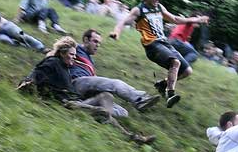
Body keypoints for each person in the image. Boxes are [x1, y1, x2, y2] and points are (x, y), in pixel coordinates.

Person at [22, 37, 155, 145]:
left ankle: (114, 126)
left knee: (106, 97)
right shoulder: (53, 62)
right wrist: (26, 83)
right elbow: (37, 71)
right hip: (67, 103)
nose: (74, 58)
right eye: (71, 55)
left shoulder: (66, 68)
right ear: (62, 53)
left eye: (75, 55)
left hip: (77, 100)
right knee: (102, 111)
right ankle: (129, 136)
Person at [110, 0, 208, 108]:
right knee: (175, 62)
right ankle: (170, 94)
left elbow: (175, 19)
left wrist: (196, 19)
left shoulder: (159, 8)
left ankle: (162, 84)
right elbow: (124, 21)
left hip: (165, 43)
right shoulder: (139, 10)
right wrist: (116, 32)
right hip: (152, 45)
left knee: (187, 71)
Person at [68, 29, 160, 117]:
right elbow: (58, 50)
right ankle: (139, 100)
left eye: (99, 43)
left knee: (123, 112)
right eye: (95, 41)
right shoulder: (76, 48)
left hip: (87, 88)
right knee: (116, 84)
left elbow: (93, 79)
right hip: (78, 82)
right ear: (86, 40)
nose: (98, 45)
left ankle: (85, 107)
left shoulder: (90, 59)